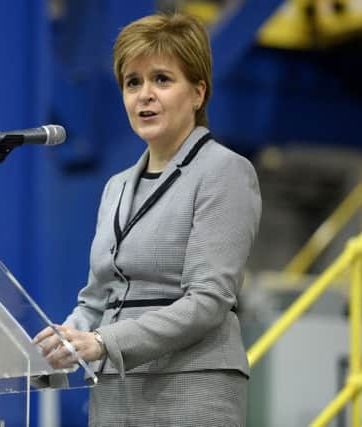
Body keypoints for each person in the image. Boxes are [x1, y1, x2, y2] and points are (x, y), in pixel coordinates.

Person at [33, 11, 261, 427]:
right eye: (132, 82)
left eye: (162, 79)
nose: (144, 95)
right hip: (115, 391)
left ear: (198, 93)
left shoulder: (225, 171)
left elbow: (208, 301)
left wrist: (103, 341)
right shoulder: (116, 187)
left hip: (192, 390)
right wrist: (66, 338)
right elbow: (97, 297)